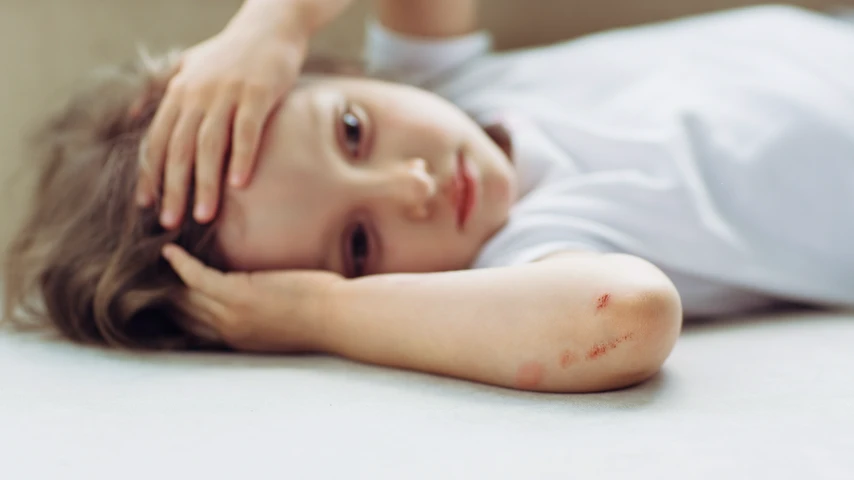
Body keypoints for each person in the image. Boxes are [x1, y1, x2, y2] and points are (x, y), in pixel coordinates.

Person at [4, 0, 853, 393]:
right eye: (359, 247)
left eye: (351, 132)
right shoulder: (520, 255)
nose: (412, 187)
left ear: (340, 76)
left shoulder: (452, 80)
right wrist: (319, 314)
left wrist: (272, 26)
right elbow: (627, 314)